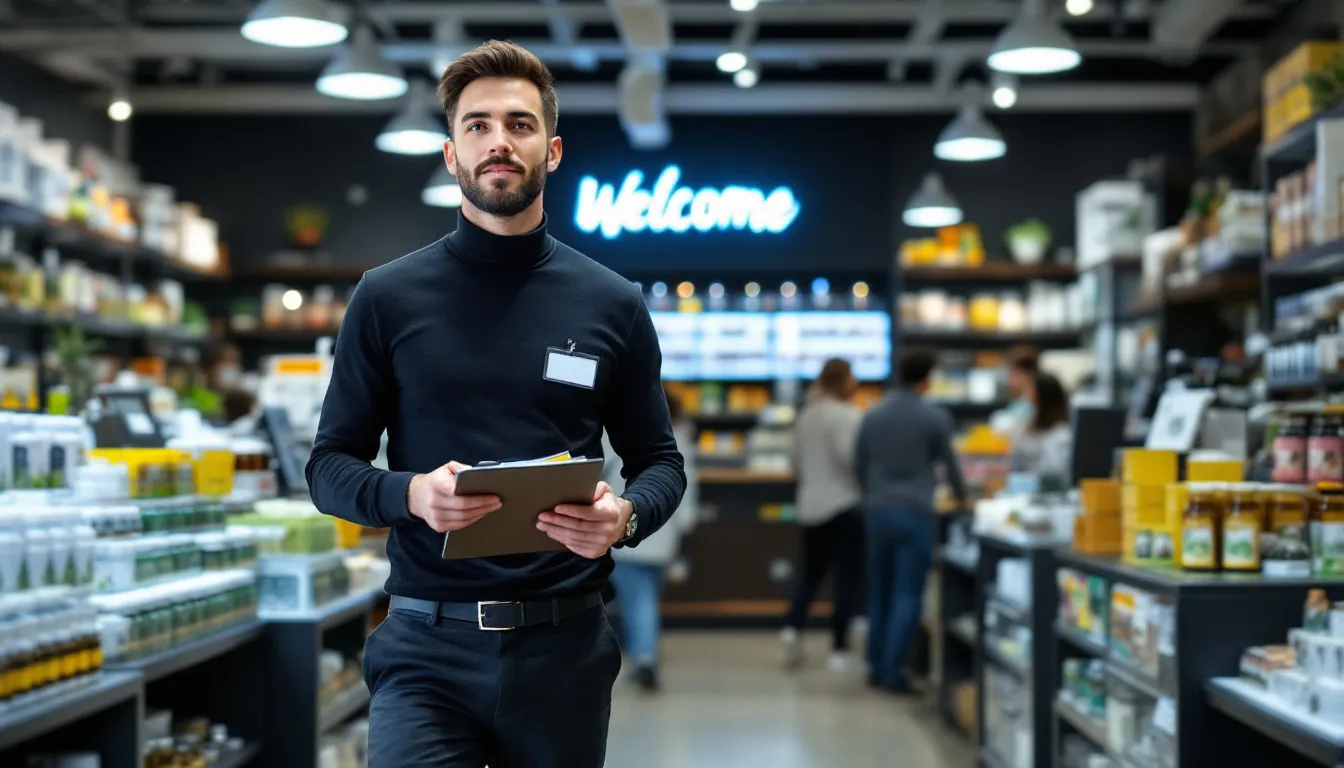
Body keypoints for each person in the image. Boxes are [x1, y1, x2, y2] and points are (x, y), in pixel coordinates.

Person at [305, 41, 686, 768]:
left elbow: (660, 461)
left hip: (565, 648)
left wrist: (625, 516)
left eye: (519, 123)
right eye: (477, 126)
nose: (499, 142)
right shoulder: (386, 297)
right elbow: (328, 466)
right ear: (451, 154)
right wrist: (411, 493)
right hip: (424, 646)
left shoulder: (612, 301)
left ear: (553, 147)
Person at [856, 348, 968, 694]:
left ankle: (875, 666)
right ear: (927, 378)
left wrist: (872, 494)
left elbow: (859, 463)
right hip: (915, 511)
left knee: (879, 590)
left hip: (877, 510)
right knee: (907, 592)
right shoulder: (933, 417)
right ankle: (893, 671)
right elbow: (949, 465)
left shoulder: (872, 415)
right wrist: (963, 499)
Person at [603, 387, 699, 692]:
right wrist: (684, 526)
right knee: (645, 598)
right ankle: (644, 653)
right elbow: (687, 489)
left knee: (637, 600)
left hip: (626, 531)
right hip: (664, 535)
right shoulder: (678, 440)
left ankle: (644, 658)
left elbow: (597, 474)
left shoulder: (616, 434)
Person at [780, 358, 865, 671]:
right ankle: (840, 648)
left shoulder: (807, 414)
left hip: (810, 505)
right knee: (846, 578)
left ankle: (792, 626)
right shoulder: (847, 415)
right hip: (843, 504)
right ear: (845, 380)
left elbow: (795, 460)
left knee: (811, 573)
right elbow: (851, 459)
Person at [1011, 371, 1073, 481]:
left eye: (1030, 393)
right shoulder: (1029, 427)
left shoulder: (1061, 435)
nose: (1026, 398)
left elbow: (1054, 473)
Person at [992, 346, 1039, 436]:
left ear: (1025, 374)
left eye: (1012, 374)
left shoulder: (1035, 401)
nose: (1008, 380)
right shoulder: (1018, 401)